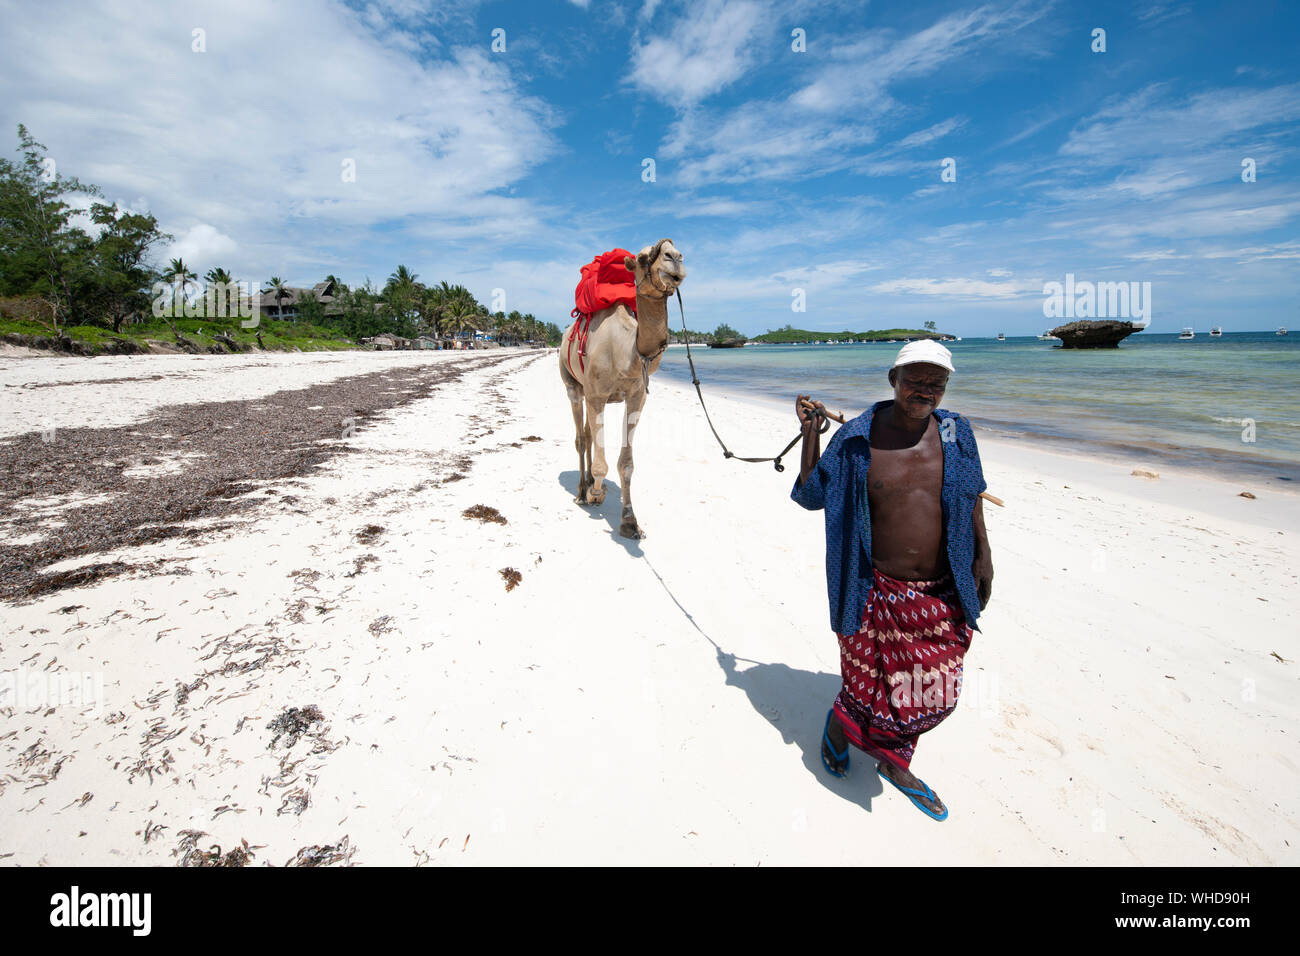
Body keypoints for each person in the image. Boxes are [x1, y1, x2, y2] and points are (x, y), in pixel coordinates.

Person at [791, 339, 993, 821]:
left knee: (931, 688)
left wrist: (983, 555)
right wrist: (812, 434)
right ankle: (855, 738)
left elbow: (974, 494)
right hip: (871, 588)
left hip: (943, 588)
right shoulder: (857, 439)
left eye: (936, 384)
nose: (925, 391)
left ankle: (885, 751)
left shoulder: (957, 434)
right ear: (893, 381)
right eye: (915, 381)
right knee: (865, 683)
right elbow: (811, 494)